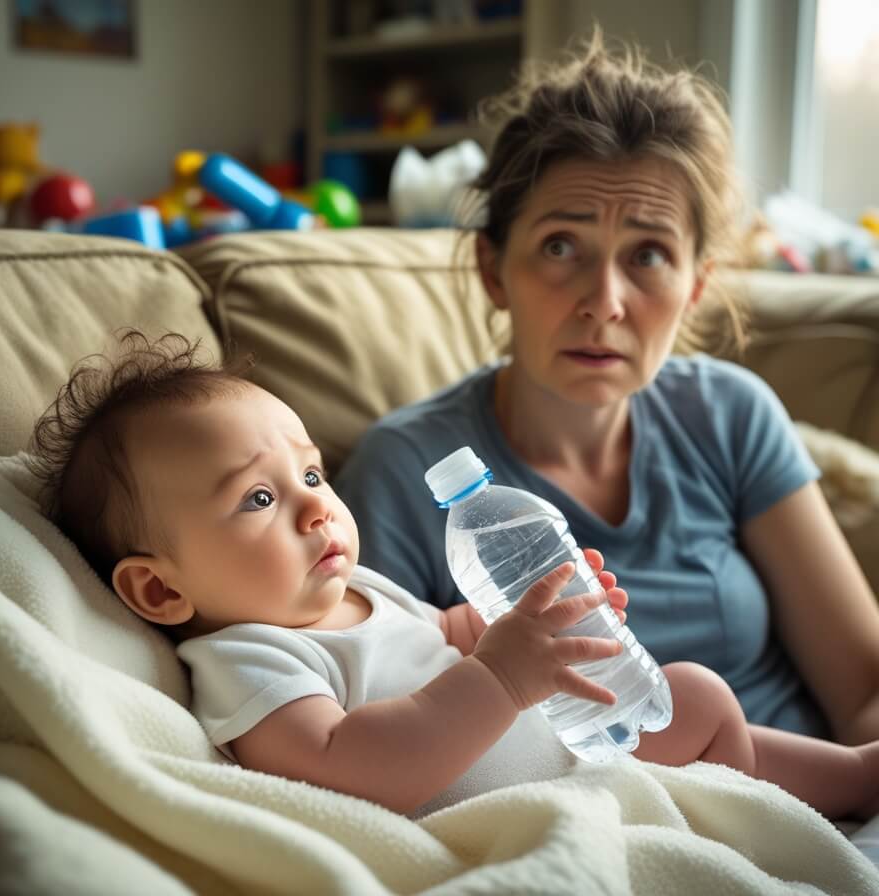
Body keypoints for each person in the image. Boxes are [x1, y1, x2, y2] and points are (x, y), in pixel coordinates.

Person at [27, 332, 879, 820]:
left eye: (313, 477)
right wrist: (503, 672)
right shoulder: (252, 660)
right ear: (160, 591)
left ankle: (847, 778)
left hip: (564, 749)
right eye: (257, 497)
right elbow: (349, 767)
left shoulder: (364, 596)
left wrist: (537, 615)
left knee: (695, 696)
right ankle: (736, 830)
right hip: (519, 801)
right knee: (691, 713)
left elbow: (450, 633)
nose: (318, 509)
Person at [334, 31, 879, 748]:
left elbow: (865, 698)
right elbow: (379, 731)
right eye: (562, 246)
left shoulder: (733, 414)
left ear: (696, 288)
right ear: (493, 269)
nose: (605, 301)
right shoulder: (407, 469)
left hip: (823, 804)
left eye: (649, 255)